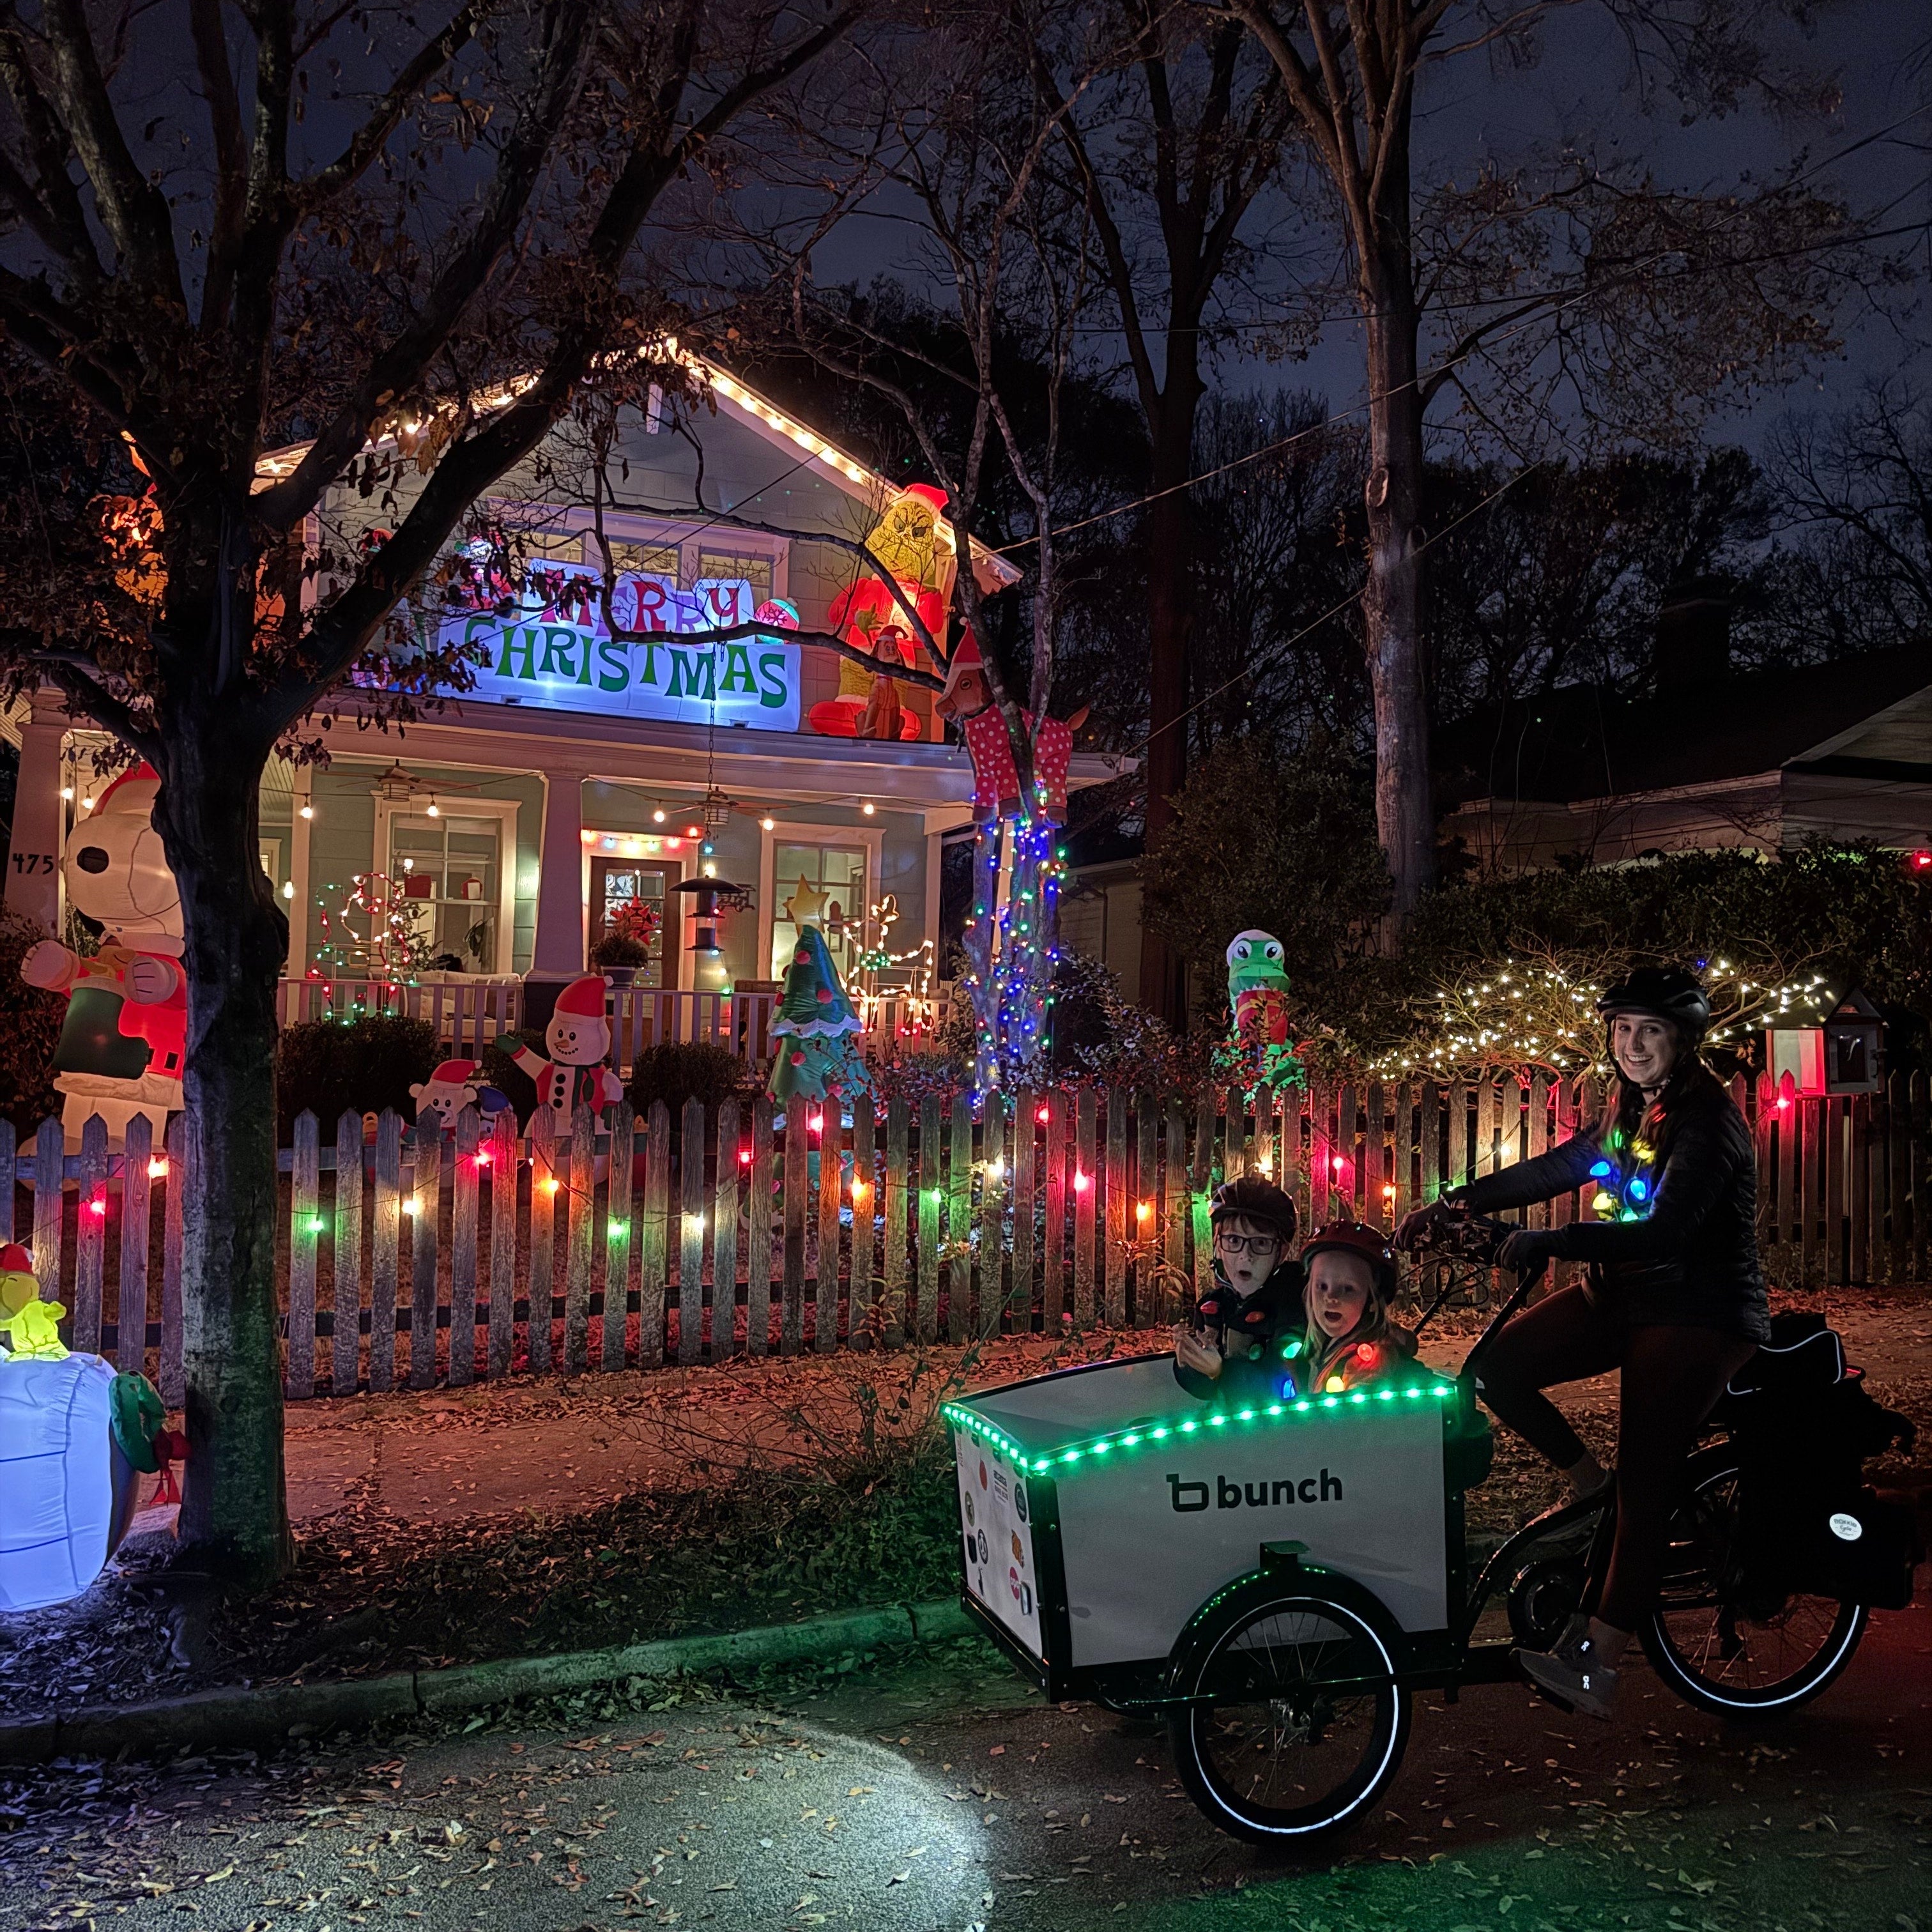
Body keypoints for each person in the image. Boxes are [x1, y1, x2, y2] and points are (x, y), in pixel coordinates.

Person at [1397, 965, 1768, 1720]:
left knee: (1648, 1481)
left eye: (1650, 1032)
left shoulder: (1707, 1121)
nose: (1632, 1045)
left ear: (1683, 1041)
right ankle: (1587, 1484)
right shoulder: (1635, 1104)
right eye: (1623, 1029)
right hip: (1623, 1294)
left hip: (1698, 1313)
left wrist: (1548, 1242)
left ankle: (1600, 1662)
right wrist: (1457, 1202)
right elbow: (1571, 1161)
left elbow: (1667, 1230)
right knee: (1496, 1368)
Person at [1172, 1175, 1304, 1402]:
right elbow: (1205, 1393)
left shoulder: (1294, 1303)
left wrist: (1220, 1372)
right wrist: (1190, 1365)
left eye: (1260, 1243)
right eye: (1233, 1240)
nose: (1245, 1255)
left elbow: (1285, 1386)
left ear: (1281, 1252)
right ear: (1218, 1243)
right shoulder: (1212, 1307)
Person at [1291, 1220, 1421, 1397]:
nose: (1331, 1297)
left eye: (1348, 1288)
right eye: (1322, 1286)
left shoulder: (1369, 1366)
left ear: (1373, 1298)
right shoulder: (1311, 1351)